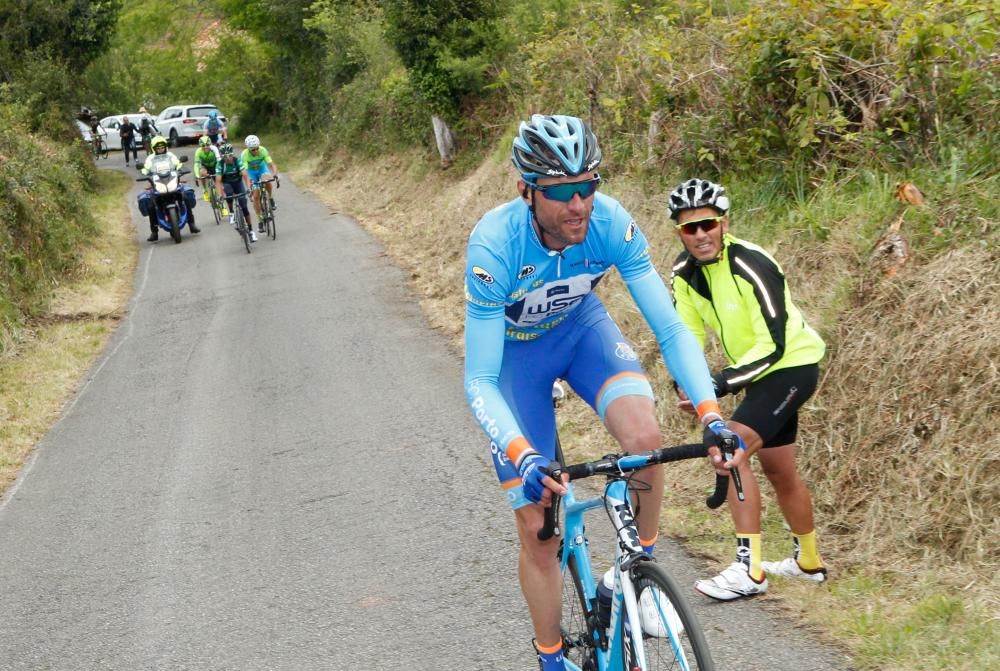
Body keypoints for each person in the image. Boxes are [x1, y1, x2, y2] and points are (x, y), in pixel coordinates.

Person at [463, 115, 742, 671]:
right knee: (538, 528)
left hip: (581, 332)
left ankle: (640, 580)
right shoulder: (494, 247)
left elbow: (670, 329)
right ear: (526, 191)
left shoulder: (611, 221)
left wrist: (711, 414)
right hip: (515, 362)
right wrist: (525, 456)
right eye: (562, 191)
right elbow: (480, 379)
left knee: (646, 437)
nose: (578, 205)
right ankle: (551, 659)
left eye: (587, 186)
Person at [665, 178, 828, 601]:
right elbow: (684, 337)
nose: (700, 235)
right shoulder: (684, 276)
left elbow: (773, 344)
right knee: (779, 469)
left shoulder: (750, 262)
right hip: (759, 377)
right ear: (679, 232)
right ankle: (807, 563)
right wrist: (687, 382)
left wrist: (716, 384)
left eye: (707, 224)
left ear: (723, 223)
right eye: (689, 228)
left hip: (791, 367)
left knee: (728, 446)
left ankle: (749, 570)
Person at [139, 136, 200, 241]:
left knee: (185, 196)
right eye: (158, 148)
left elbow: (178, 163)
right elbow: (146, 169)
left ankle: (191, 224)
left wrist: (181, 168)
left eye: (162, 147)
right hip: (158, 183)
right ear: (154, 148)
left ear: (165, 147)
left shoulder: (170, 155)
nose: (161, 149)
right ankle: (154, 231)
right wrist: (144, 172)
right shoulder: (150, 158)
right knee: (150, 204)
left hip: (171, 181)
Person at [215, 142, 257, 242]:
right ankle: (232, 213)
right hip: (227, 183)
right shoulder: (220, 164)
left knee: (244, 206)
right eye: (225, 156)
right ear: (221, 157)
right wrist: (220, 195)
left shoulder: (237, 161)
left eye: (230, 155)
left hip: (238, 183)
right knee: (228, 193)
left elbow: (245, 176)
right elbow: (218, 181)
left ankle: (251, 231)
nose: (228, 158)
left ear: (232, 154)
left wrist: (249, 188)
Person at [239, 135, 279, 233]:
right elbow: (244, 171)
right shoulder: (245, 155)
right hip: (251, 173)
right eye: (253, 150)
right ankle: (260, 220)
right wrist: (249, 183)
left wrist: (275, 175)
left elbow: (271, 164)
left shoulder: (263, 150)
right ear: (248, 149)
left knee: (268, 180)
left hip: (262, 169)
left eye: (257, 148)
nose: (256, 151)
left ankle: (270, 198)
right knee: (256, 196)